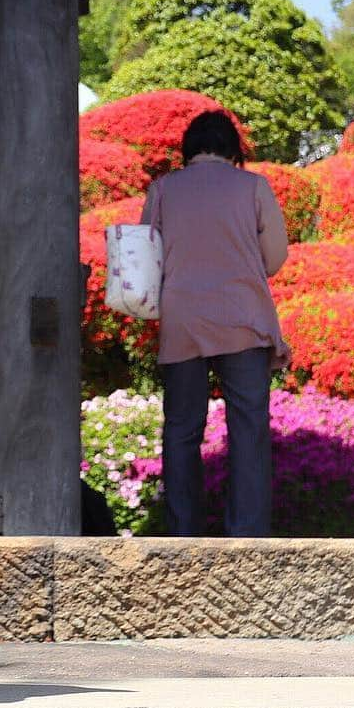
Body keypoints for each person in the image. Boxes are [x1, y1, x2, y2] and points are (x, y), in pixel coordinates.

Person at [141, 110, 289, 537]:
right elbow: (275, 257)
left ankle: (183, 532)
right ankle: (248, 533)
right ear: (232, 149)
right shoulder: (254, 187)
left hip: (183, 320)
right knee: (248, 428)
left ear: (188, 148)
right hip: (244, 320)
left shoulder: (164, 189)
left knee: (182, 429)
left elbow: (145, 256)